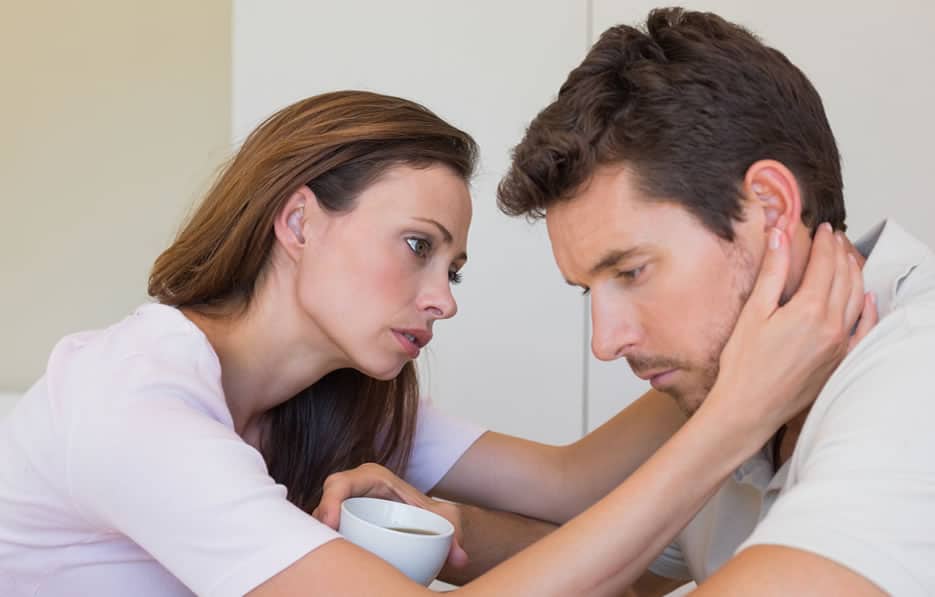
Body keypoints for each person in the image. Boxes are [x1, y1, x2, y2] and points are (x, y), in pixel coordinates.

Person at [0, 89, 873, 596]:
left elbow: (566, 482)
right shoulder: (137, 406)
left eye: (453, 269)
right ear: (298, 220)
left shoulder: (333, 395)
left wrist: (747, 331)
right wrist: (738, 413)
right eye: (417, 247)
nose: (440, 300)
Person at [495, 7, 935, 596]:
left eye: (633, 271)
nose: (605, 341)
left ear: (768, 209)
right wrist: (445, 528)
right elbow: (623, 575)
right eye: (590, 291)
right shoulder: (745, 380)